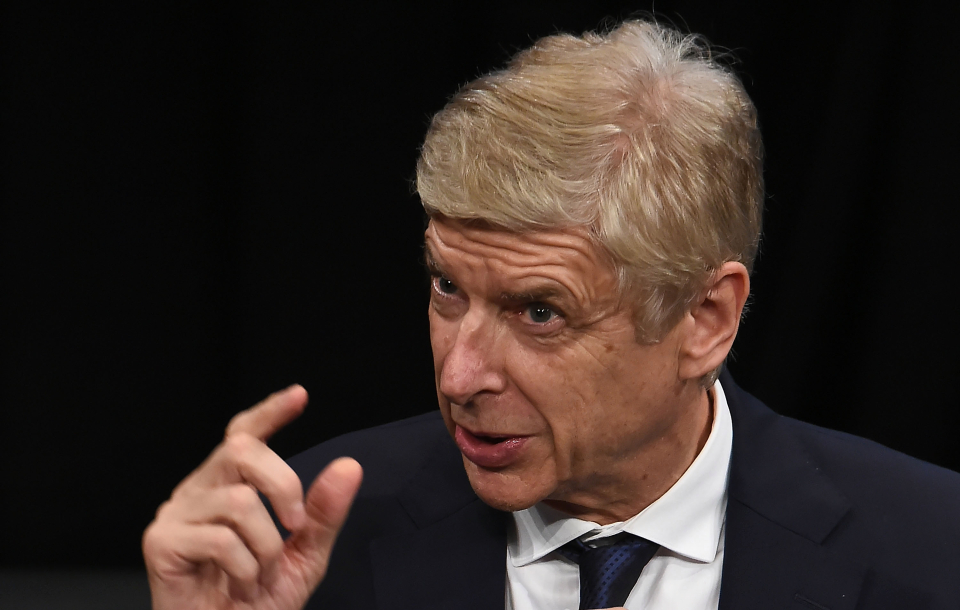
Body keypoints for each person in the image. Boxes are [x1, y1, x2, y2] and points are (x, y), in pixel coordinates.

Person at [142, 19, 960, 610]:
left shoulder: (933, 552)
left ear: (706, 319)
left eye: (539, 312)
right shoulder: (299, 542)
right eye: (447, 288)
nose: (459, 376)